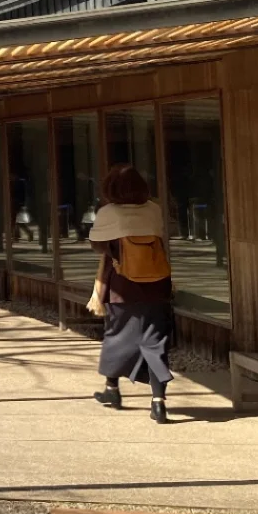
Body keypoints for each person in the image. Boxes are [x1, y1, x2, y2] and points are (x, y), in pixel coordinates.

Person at [87, 164, 175, 423]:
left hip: (123, 287)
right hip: (158, 285)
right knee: (155, 342)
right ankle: (158, 403)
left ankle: (112, 390)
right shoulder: (154, 209)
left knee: (117, 336)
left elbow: (97, 244)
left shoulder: (108, 212)